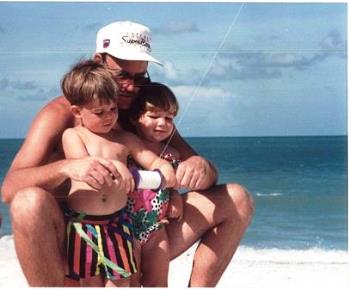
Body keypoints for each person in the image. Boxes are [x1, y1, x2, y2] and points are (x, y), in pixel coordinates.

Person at [1, 21, 254, 287]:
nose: (131, 87)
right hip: (80, 243)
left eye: (140, 78)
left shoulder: (145, 112)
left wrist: (200, 165)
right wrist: (68, 168)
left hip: (138, 233)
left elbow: (201, 173)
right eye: (122, 75)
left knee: (237, 199)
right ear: (98, 60)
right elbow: (10, 189)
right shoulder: (60, 114)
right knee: (28, 202)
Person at [60, 60, 177, 286]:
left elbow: (152, 160)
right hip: (83, 225)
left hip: (117, 223)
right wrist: (118, 168)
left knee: (121, 282)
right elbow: (84, 166)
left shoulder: (126, 140)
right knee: (90, 283)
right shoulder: (74, 136)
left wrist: (164, 170)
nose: (108, 116)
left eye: (112, 109)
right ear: (77, 111)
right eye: (99, 112)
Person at [126, 82, 183, 286]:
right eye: (154, 116)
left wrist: (176, 198)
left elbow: (172, 183)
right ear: (135, 118)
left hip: (156, 229)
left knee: (158, 282)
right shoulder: (127, 149)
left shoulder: (171, 155)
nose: (162, 123)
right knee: (130, 281)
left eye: (169, 118)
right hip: (126, 228)